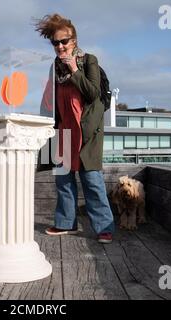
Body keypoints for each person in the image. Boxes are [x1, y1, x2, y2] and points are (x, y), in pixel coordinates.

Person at [35, 14, 115, 243]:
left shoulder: (89, 60)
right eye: (55, 42)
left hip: (86, 132)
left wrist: (74, 69)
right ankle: (65, 223)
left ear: (74, 40)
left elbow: (93, 93)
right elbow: (49, 98)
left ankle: (104, 228)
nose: (60, 46)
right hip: (63, 131)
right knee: (63, 179)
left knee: (92, 180)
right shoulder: (54, 67)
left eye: (64, 41)